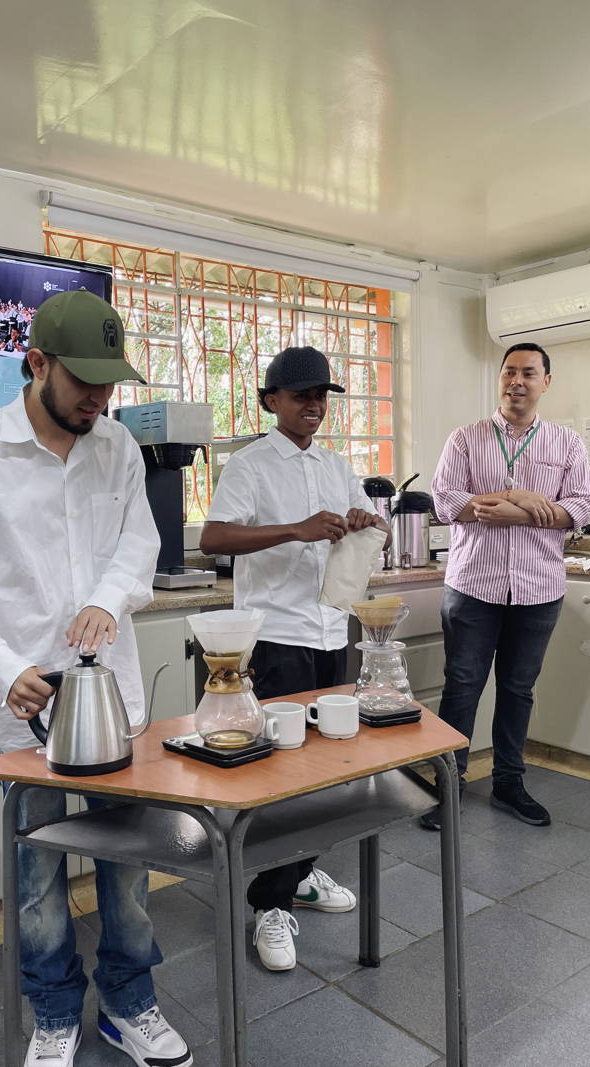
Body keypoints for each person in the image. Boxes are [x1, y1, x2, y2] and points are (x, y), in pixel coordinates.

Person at [0, 290, 191, 1067]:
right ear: (37, 363)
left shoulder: (117, 448)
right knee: (37, 873)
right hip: (21, 708)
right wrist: (6, 670)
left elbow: (139, 542)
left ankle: (130, 1005)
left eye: (110, 384)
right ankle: (55, 1012)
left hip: (113, 701)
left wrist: (108, 600)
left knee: (127, 860)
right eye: (84, 383)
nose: (100, 400)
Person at [200, 345, 390, 972]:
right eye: (301, 395)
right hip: (277, 636)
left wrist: (357, 517)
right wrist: (296, 529)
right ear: (270, 401)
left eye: (322, 396)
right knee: (280, 773)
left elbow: (348, 522)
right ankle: (269, 903)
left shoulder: (337, 464)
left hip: (333, 630)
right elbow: (214, 537)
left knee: (327, 767)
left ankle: (300, 874)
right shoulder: (252, 465)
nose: (314, 405)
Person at [420, 342, 590, 831]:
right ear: (500, 379)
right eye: (509, 372)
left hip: (539, 589)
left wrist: (508, 510)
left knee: (519, 689)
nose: (517, 381)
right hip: (474, 584)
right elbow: (446, 499)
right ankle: (448, 788)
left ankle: (508, 784)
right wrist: (522, 499)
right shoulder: (465, 439)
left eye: (529, 373)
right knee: (463, 687)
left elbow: (581, 506)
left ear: (546, 382)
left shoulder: (566, 444)